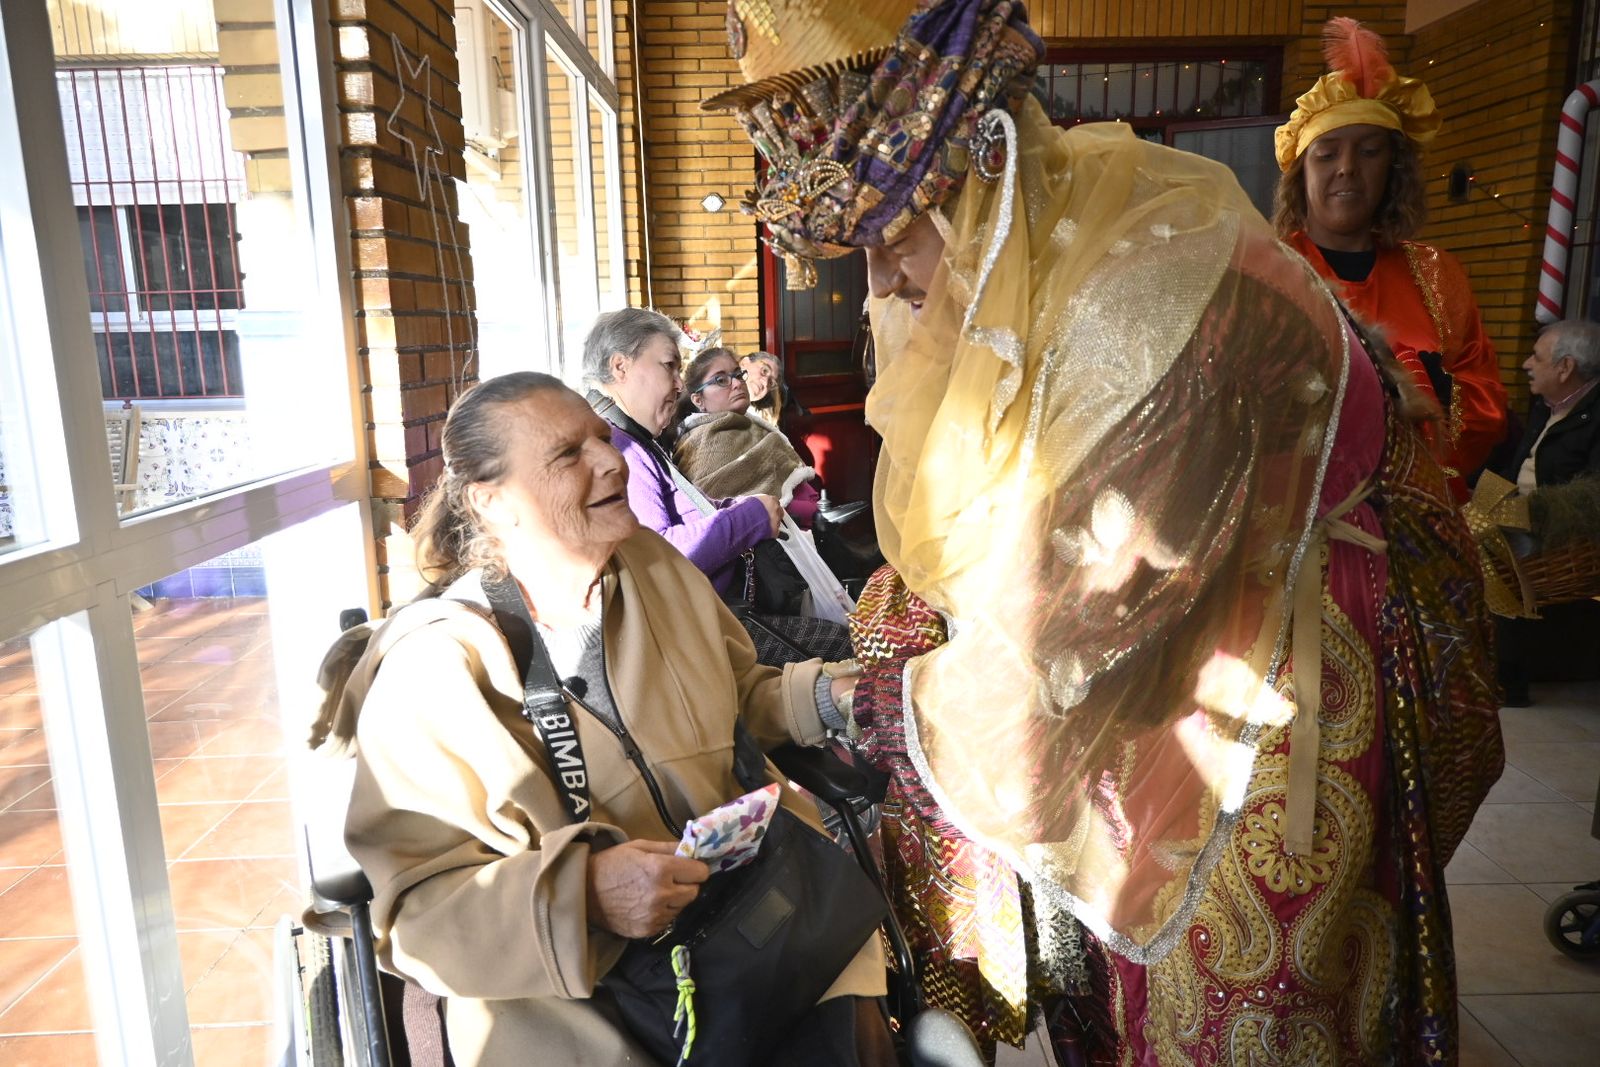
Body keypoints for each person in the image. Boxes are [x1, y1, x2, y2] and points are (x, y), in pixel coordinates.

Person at [706, 1, 1501, 1064]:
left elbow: (1085, 607)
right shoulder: (1054, 248)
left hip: (1270, 679)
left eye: (891, 244)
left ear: (979, 185)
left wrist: (890, 694)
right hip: (1176, 656)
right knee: (1124, 964)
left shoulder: (1138, 288)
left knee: (1234, 990)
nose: (883, 282)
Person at [316, 372, 887, 1065]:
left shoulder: (652, 568)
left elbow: (737, 697)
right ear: (492, 501)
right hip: (585, 1011)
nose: (610, 460)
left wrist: (843, 698)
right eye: (567, 454)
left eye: (602, 437)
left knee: (855, 1003)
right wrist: (580, 895)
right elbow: (412, 917)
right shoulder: (434, 671)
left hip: (752, 931)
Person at [1274, 17, 1507, 495]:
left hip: (1420, 516)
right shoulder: (1271, 272)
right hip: (1300, 520)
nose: (1347, 169)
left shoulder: (1438, 276)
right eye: (1327, 153)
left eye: (1369, 151)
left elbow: (1484, 400)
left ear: (1394, 168)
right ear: (1301, 172)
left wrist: (1422, 455)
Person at [580, 308, 780, 598]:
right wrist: (752, 516)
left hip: (711, 616)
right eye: (668, 366)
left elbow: (688, 509)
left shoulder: (632, 439)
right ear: (620, 367)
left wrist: (732, 506)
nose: (679, 384)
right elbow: (660, 554)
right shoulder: (617, 447)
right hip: (703, 632)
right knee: (838, 642)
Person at [1495, 319, 1600, 705]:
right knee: (1443, 533)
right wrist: (1478, 505)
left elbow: (1591, 498)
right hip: (1520, 517)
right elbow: (1513, 472)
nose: (1525, 364)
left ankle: (1508, 678)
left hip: (1560, 530)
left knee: (1489, 555)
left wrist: (1525, 514)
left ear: (1565, 367)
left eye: (1536, 357)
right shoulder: (1545, 408)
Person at [675, 346, 822, 528]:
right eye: (721, 380)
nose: (737, 383)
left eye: (737, 375)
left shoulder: (751, 424)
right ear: (698, 400)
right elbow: (716, 511)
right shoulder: (702, 442)